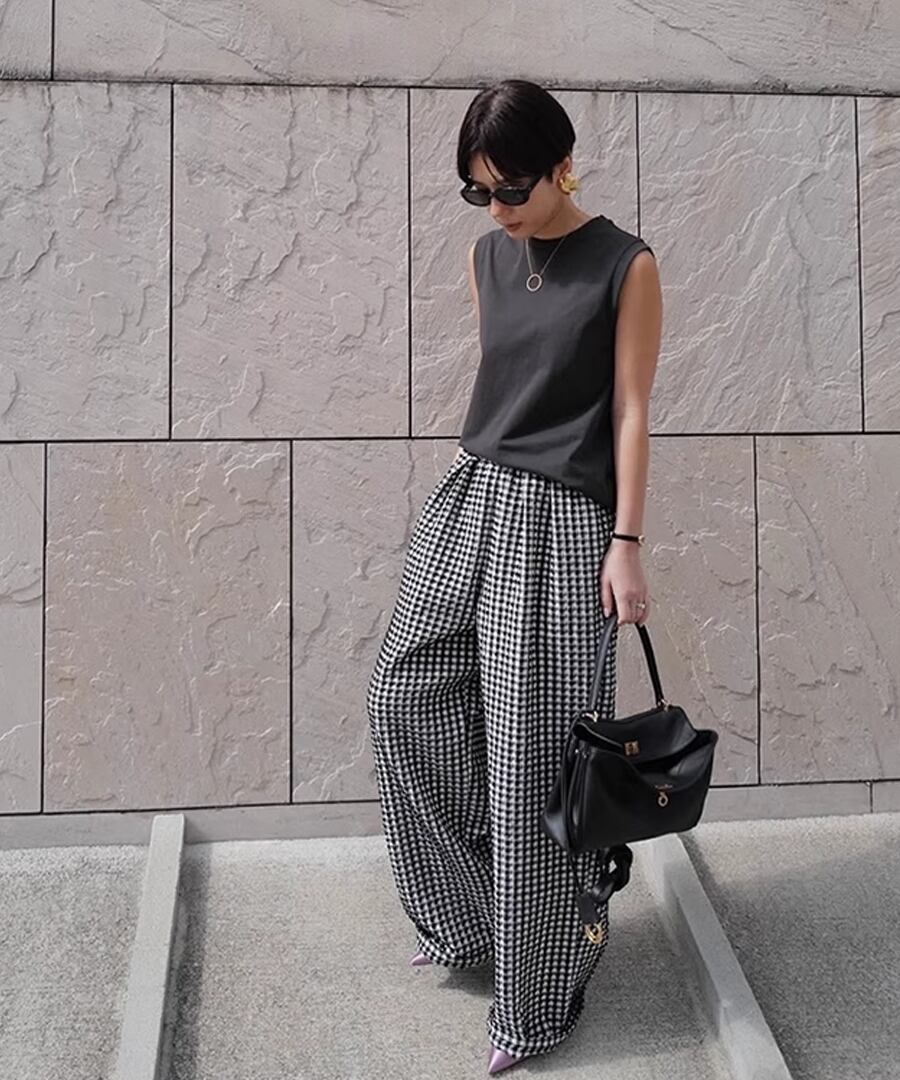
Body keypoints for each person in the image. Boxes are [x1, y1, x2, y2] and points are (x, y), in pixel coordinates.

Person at [366, 78, 663, 1074]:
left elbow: (630, 410)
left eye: (512, 189)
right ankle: (468, 916)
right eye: (477, 191)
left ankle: (535, 1001)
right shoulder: (488, 255)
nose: (496, 210)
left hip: (566, 521)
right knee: (400, 696)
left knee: (533, 755)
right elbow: (506, 383)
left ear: (563, 165)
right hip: (474, 495)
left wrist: (627, 540)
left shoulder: (625, 263)